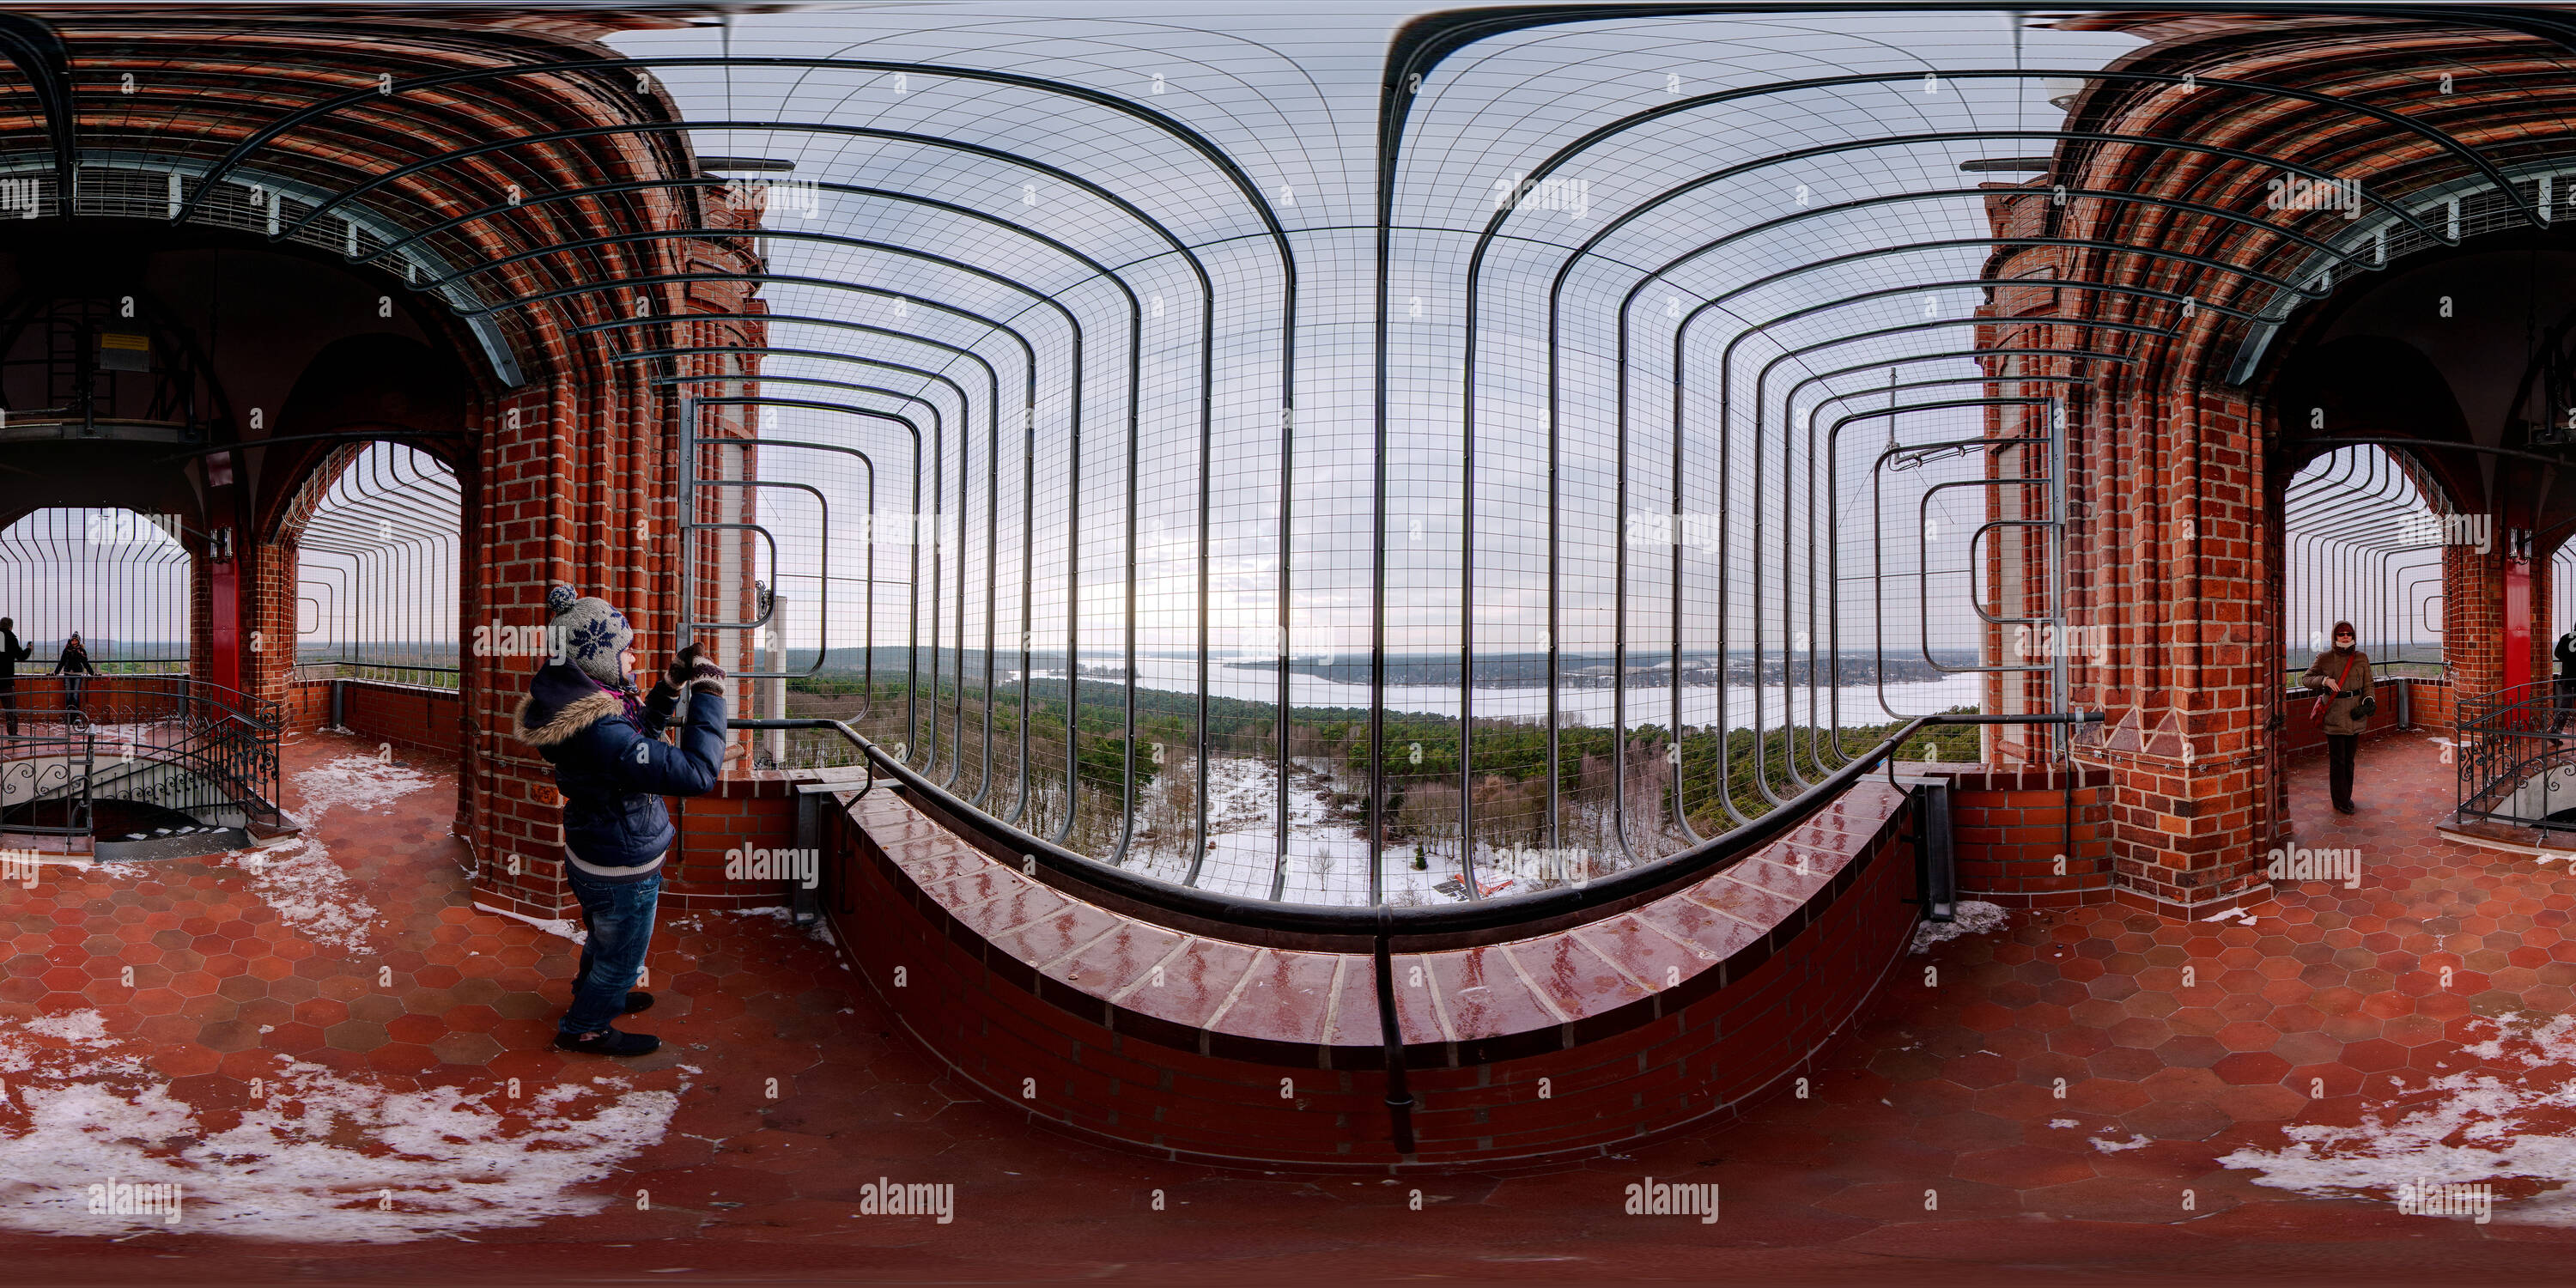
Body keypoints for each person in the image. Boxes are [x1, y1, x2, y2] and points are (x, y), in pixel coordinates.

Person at [514, 584, 728, 1057]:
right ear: (595, 657)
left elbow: (638, 742)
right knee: (622, 956)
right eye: (625, 650)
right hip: (621, 865)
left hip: (597, 851)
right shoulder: (600, 729)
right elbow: (697, 774)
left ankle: (596, 990)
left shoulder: (588, 710)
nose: (635, 658)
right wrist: (709, 691)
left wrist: (670, 688)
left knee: (604, 937)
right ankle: (585, 1027)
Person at [2300, 621, 2373, 815]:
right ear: (2335, 637)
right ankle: (2339, 800)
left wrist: (2368, 701)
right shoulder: (2325, 658)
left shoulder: (2361, 658)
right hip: (2334, 715)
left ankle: (2346, 796)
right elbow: (2306, 679)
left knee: (2349, 760)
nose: (2346, 636)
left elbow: (2369, 685)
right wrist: (2324, 680)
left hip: (2355, 715)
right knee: (2338, 761)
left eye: (2349, 633)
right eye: (2341, 634)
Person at [52, 631, 96, 713]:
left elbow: (85, 663)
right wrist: (56, 672)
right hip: (67, 674)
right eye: (73, 640)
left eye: (76, 640)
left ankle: (76, 717)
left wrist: (92, 673)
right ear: (70, 641)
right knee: (68, 695)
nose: (74, 642)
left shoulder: (81, 651)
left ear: (78, 641)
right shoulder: (66, 650)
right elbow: (62, 662)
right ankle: (68, 717)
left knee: (75, 695)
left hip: (77, 674)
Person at [0, 617, 29, 736]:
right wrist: (29, 649)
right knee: (10, 708)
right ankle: (12, 734)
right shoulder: (11, 638)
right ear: (10, 627)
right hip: (6, 680)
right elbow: (21, 657)